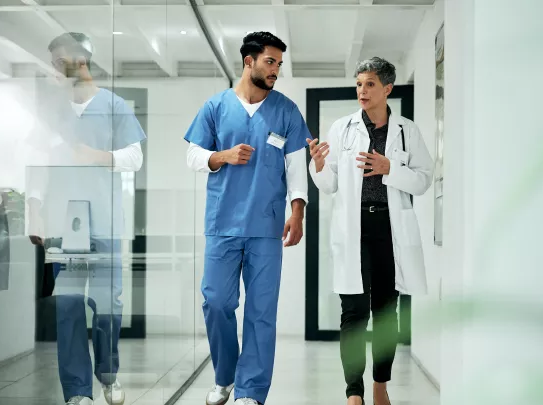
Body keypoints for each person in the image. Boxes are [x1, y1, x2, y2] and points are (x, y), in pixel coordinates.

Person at [184, 32, 310, 405]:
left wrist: (298, 210)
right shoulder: (215, 106)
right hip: (223, 222)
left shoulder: (286, 110)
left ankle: (250, 392)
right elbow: (193, 156)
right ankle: (226, 375)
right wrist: (221, 156)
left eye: (279, 64)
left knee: (261, 311)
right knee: (216, 301)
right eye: (270, 62)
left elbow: (295, 166)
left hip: (266, 226)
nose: (276, 70)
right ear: (249, 62)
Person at [27, 32, 146, 405]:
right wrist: (34, 213)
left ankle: (107, 375)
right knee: (68, 305)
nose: (54, 70)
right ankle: (78, 391)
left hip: (105, 220)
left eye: (57, 62)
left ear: (80, 62)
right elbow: (36, 166)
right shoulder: (50, 112)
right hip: (65, 224)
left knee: (107, 302)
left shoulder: (113, 106)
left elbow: (135, 158)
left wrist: (95, 156)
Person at [307, 57, 433, 405]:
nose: (362, 90)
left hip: (389, 229)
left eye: (370, 84)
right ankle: (353, 392)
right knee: (353, 311)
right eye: (359, 83)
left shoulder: (408, 130)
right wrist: (318, 165)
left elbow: (424, 179)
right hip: (354, 228)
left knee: (385, 312)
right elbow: (330, 183)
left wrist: (390, 167)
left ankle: (380, 384)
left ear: (387, 89)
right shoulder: (341, 128)